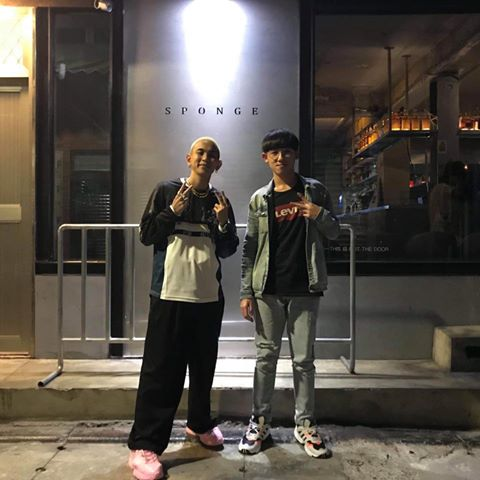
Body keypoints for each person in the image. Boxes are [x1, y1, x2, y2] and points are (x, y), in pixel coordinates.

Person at [128, 137, 239, 480]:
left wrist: (223, 223)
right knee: (161, 372)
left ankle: (199, 424)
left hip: (208, 298)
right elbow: (147, 234)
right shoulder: (167, 190)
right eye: (200, 152)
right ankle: (145, 445)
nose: (206, 158)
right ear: (189, 158)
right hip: (169, 295)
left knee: (203, 367)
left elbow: (228, 249)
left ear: (218, 164)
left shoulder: (220, 200)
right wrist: (173, 212)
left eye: (212, 155)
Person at [238, 128, 339, 458]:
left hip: (305, 288)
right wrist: (246, 291)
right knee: (265, 358)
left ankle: (305, 424)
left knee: (304, 361)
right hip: (267, 290)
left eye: (286, 151)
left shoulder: (314, 191)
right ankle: (259, 422)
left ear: (295, 155)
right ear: (265, 158)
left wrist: (318, 214)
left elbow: (335, 231)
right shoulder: (259, 199)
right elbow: (251, 246)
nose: (280, 157)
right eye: (274, 153)